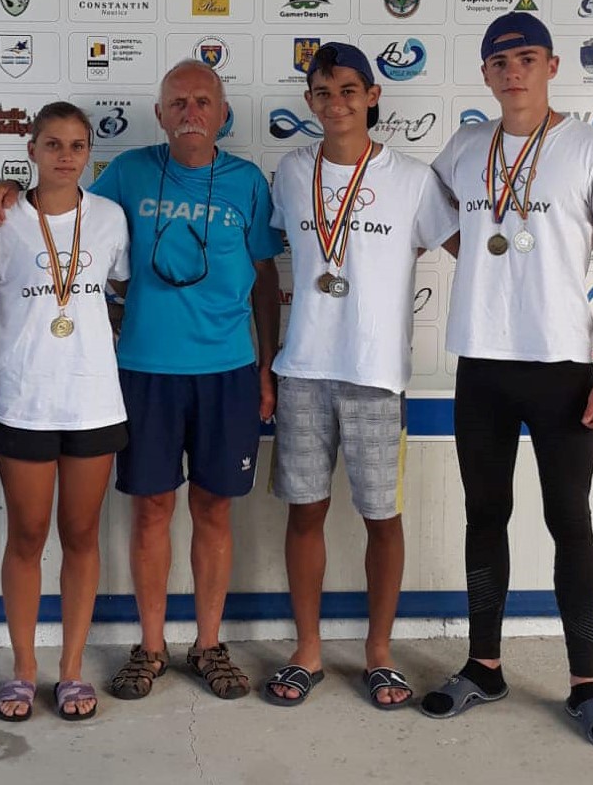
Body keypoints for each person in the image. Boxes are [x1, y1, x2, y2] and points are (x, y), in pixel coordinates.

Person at [0, 60, 283, 702]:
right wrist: (4, 187)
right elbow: (62, 213)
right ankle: (151, 647)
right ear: (159, 113)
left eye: (203, 102)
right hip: (144, 372)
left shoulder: (249, 181)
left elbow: (265, 276)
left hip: (227, 370)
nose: (190, 113)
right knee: (151, 509)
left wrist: (266, 365)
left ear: (222, 111)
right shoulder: (127, 173)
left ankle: (208, 643)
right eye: (178, 102)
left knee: (214, 509)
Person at [422, 12, 593, 748]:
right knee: (484, 516)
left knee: (569, 520)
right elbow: (432, 215)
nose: (512, 71)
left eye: (526, 58)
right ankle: (484, 667)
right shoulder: (465, 146)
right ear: (485, 74)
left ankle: (585, 683)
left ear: (551, 66)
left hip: (561, 367)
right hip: (481, 364)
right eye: (499, 61)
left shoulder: (591, 147)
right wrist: (489, 264)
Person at [262, 43, 451, 710]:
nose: (336, 102)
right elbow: (267, 256)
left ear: (373, 96)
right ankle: (308, 650)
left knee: (382, 517)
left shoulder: (413, 179)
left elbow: (456, 244)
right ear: (309, 101)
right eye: (323, 91)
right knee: (305, 513)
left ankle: (379, 652)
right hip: (304, 370)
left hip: (376, 374)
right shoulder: (291, 173)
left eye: (349, 90)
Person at [0, 103, 130, 723]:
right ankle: (23, 670)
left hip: (93, 400)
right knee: (26, 536)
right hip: (24, 402)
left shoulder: (111, 218)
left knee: (81, 535)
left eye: (76, 145)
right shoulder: (0, 218)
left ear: (89, 152)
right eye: (52, 144)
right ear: (31, 149)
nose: (65, 156)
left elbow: (122, 291)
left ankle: (70, 671)